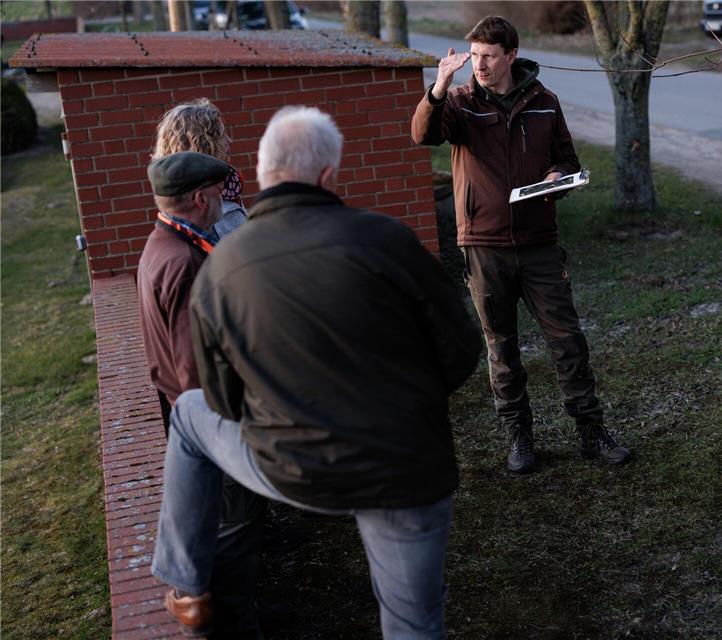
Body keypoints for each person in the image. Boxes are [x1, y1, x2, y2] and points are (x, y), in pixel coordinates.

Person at [151, 106, 482, 639]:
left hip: (290, 467)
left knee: (189, 413)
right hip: (400, 465)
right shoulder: (390, 240)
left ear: (262, 175)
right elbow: (461, 351)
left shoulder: (221, 265)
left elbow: (221, 397)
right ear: (329, 175)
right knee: (413, 622)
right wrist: (406, 399)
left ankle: (187, 586)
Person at [411, 15, 629, 475]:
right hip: (483, 246)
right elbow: (423, 135)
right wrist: (438, 87)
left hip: (539, 244)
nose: (480, 64)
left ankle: (591, 431)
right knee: (502, 348)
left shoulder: (544, 103)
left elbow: (567, 160)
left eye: (489, 56)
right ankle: (519, 437)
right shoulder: (460, 102)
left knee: (568, 342)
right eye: (474, 55)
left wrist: (556, 178)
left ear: (511, 55)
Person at [146, 100, 269, 639]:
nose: (226, 195)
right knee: (235, 523)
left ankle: (243, 608)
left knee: (235, 520)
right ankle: (233, 621)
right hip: (214, 419)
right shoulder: (184, 262)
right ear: (201, 197)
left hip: (202, 412)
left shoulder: (168, 243)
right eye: (218, 190)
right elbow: (193, 369)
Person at [153, 98, 247, 242]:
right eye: (221, 135)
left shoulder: (174, 196)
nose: (228, 141)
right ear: (206, 144)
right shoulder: (216, 207)